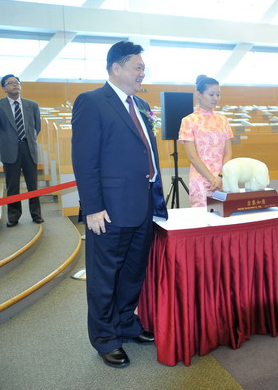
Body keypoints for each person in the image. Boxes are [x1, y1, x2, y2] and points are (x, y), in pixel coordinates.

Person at [71, 41, 167, 368]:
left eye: (143, 68)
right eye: (137, 67)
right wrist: (92, 207)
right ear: (116, 68)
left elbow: (145, 151)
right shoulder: (91, 102)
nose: (142, 73)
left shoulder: (141, 104)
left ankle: (126, 323)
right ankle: (105, 338)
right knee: (104, 277)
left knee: (132, 272)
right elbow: (85, 160)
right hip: (109, 209)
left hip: (143, 205)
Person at [0, 75, 43, 227]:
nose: (15, 85)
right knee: (12, 186)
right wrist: (6, 142)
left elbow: (37, 127)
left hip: (29, 148)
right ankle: (13, 216)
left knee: (33, 185)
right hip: (9, 150)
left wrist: (27, 140)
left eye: (17, 82)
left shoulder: (32, 105)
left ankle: (36, 214)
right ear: (4, 88)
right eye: (10, 83)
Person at [178, 75, 233, 207]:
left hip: (223, 178)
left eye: (218, 94)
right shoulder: (188, 121)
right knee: (203, 216)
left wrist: (220, 177)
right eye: (211, 94)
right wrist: (212, 179)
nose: (215, 98)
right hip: (200, 179)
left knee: (224, 214)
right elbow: (193, 157)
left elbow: (228, 153)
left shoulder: (223, 120)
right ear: (199, 94)